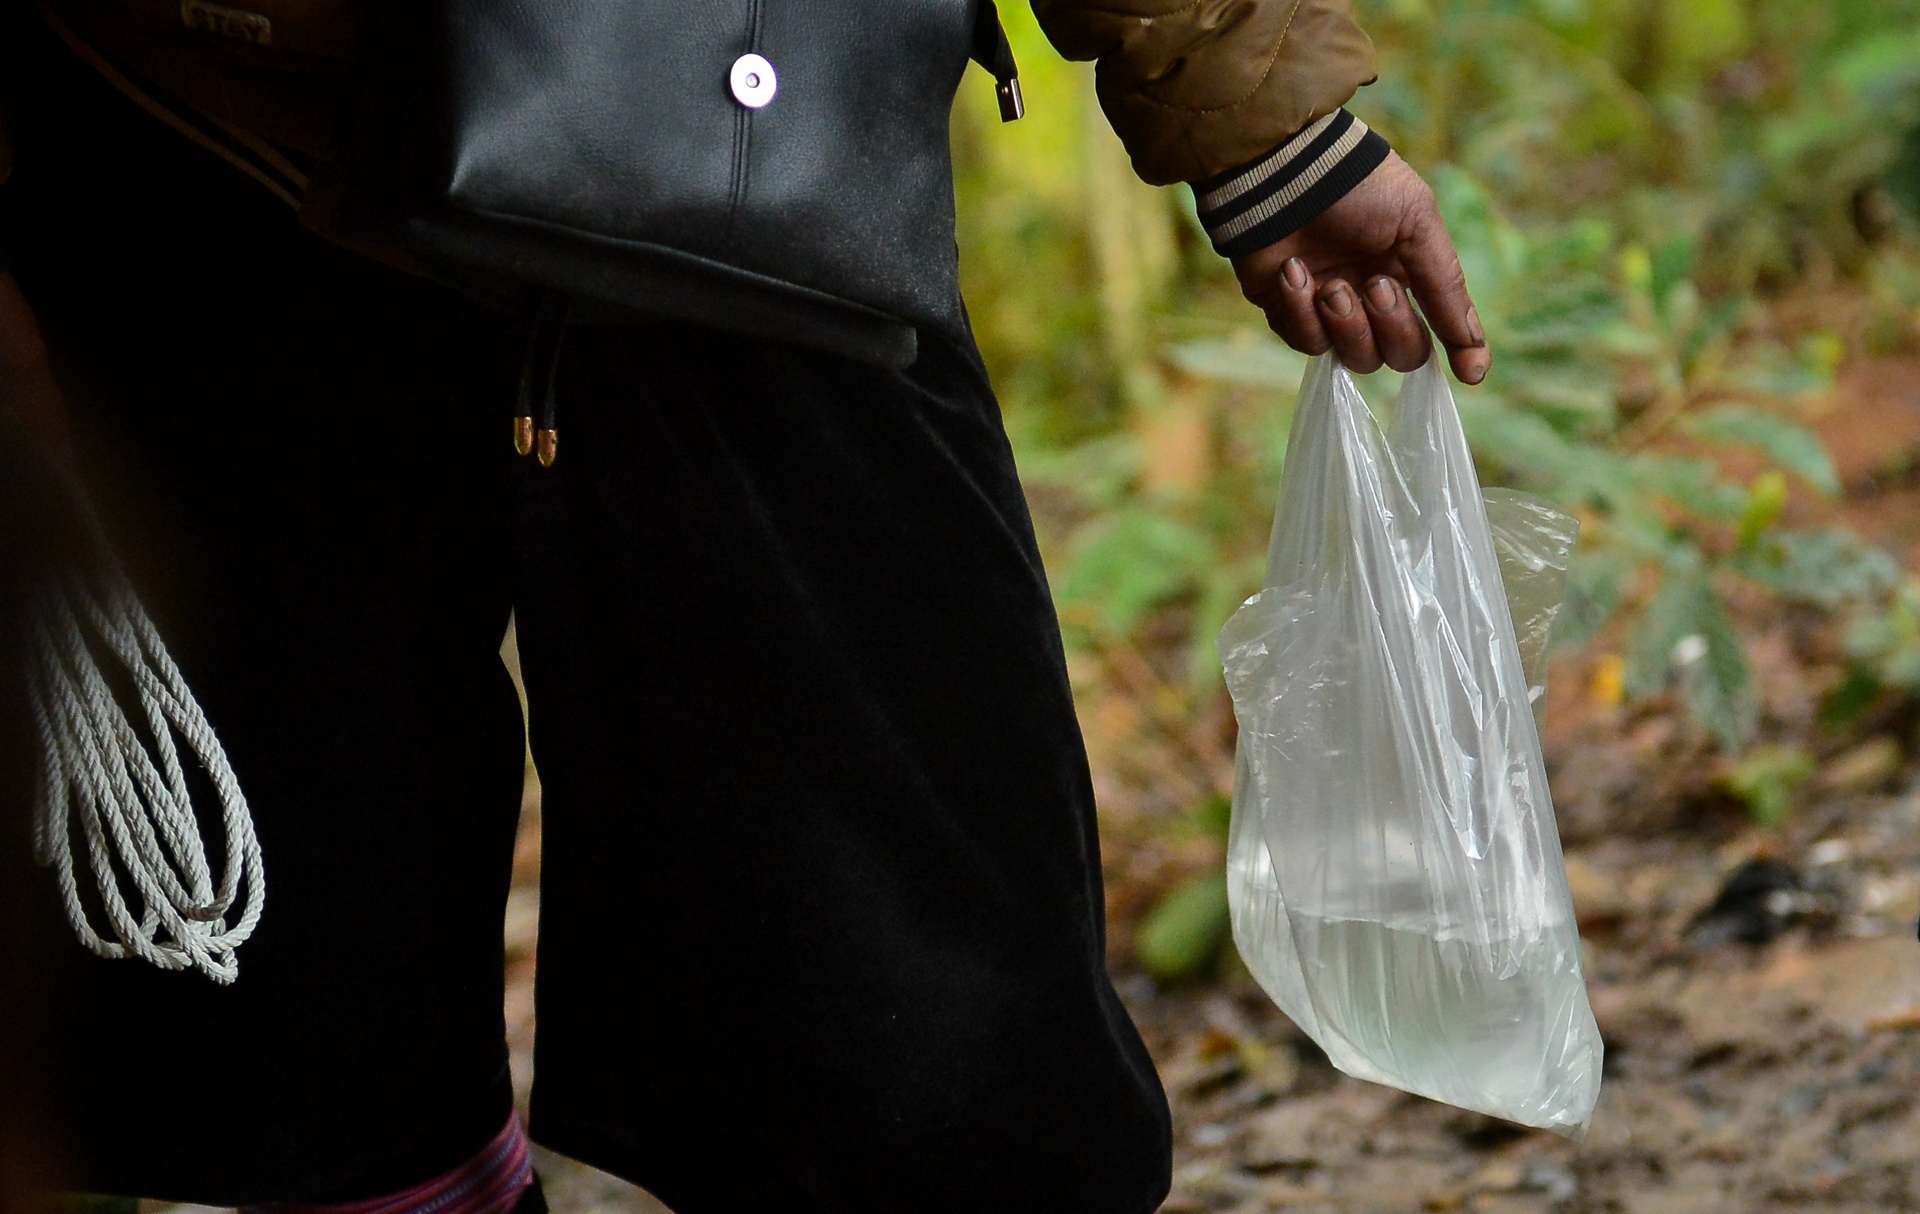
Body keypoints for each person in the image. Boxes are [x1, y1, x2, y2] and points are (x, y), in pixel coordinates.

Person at [0, 1, 1487, 1211]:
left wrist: (1263, 105)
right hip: (197, 130)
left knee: (936, 1028)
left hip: (743, 120)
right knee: (300, 1018)